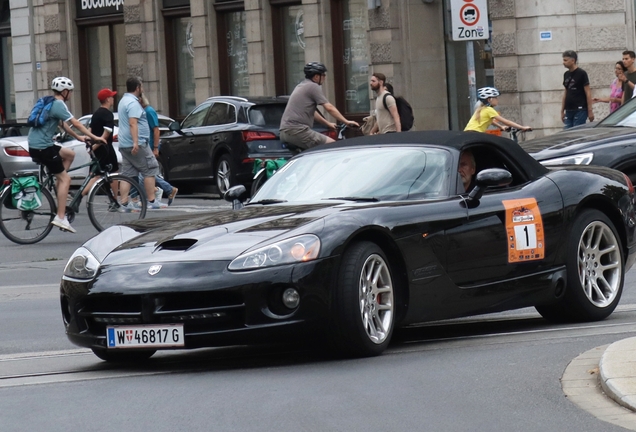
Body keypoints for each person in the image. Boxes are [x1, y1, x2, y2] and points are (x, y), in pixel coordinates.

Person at [27, 77, 105, 233]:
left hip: (37, 145)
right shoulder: (58, 104)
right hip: (43, 147)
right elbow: (75, 123)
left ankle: (59, 186)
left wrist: (79, 137)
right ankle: (60, 217)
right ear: (64, 91)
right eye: (70, 91)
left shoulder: (49, 101)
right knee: (66, 178)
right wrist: (95, 137)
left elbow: (63, 124)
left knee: (69, 154)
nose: (70, 94)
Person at [280, 62, 359, 150]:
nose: (325, 77)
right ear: (316, 76)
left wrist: (328, 124)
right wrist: (346, 121)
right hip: (297, 131)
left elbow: (312, 113)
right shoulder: (313, 86)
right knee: (332, 146)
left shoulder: (301, 86)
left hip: (285, 132)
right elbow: (329, 107)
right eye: (323, 75)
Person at [117, 77, 160, 210]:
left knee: (128, 173)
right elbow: (133, 122)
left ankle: (124, 203)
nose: (142, 89)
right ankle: (152, 201)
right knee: (150, 169)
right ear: (137, 88)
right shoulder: (133, 103)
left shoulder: (123, 101)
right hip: (137, 144)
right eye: (141, 86)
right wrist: (136, 142)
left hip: (124, 143)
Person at [140, 95, 178, 206]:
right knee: (146, 173)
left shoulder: (149, 111)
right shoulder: (145, 111)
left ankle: (157, 192)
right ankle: (160, 190)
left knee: (146, 173)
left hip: (150, 147)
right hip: (147, 146)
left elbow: (156, 130)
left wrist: (155, 147)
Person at [81, 88, 119, 198]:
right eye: (111, 97)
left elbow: (90, 130)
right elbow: (106, 135)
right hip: (105, 149)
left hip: (96, 149)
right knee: (113, 173)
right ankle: (115, 200)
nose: (113, 99)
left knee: (95, 175)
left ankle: (80, 195)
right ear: (107, 99)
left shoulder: (96, 113)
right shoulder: (108, 114)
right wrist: (95, 146)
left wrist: (90, 145)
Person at [464, 87, 531, 133]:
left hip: (469, 133)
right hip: (475, 134)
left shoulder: (481, 109)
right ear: (489, 99)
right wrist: (523, 127)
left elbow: (491, 121)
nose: (497, 100)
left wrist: (500, 126)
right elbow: (507, 122)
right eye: (495, 97)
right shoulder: (489, 110)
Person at [561, 50, 594, 129]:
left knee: (576, 132)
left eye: (565, 60)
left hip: (580, 109)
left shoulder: (582, 73)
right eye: (563, 60)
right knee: (567, 133)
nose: (563, 62)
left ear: (573, 60)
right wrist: (562, 110)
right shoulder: (566, 74)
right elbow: (566, 92)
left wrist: (590, 110)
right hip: (569, 109)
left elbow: (588, 92)